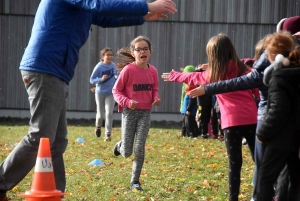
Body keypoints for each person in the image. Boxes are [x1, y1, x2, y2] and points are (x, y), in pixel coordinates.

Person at [0, 1, 177, 200]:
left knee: (57, 142)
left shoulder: (82, 7)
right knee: (41, 135)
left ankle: (54, 194)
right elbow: (99, 5)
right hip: (45, 68)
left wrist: (142, 16)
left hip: (55, 71)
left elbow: (103, 16)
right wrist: (146, 6)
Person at [188, 16, 300, 201]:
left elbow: (251, 82)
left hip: (270, 125)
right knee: (289, 175)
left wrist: (263, 133)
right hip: (293, 129)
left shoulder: (278, 76)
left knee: (264, 172)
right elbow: (251, 67)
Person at [162, 33, 258, 201]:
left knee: (235, 163)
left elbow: (191, 76)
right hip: (252, 118)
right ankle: (268, 192)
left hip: (231, 122)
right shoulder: (244, 70)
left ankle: (233, 198)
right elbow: (257, 89)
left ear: (212, 56)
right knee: (260, 159)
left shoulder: (210, 75)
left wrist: (174, 75)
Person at [112, 36, 161, 192]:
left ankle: (135, 181)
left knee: (139, 148)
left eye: (145, 49)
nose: (142, 52)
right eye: (138, 49)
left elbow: (154, 89)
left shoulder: (153, 71)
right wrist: (126, 102)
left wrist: (156, 98)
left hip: (145, 113)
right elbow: (116, 90)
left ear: (150, 52)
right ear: (133, 53)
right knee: (127, 152)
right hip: (129, 112)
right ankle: (120, 145)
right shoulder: (128, 70)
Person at [256, 31, 300, 201]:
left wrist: (263, 132)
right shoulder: (295, 73)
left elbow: (278, 109)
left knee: (266, 179)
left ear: (272, 55)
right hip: (296, 137)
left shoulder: (278, 77)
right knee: (291, 180)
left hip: (279, 138)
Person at [90, 48, 117, 141]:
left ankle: (108, 135)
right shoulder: (99, 66)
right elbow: (92, 79)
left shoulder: (114, 66)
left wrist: (118, 77)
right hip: (100, 92)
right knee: (101, 115)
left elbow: (117, 76)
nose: (109, 56)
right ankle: (98, 126)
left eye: (111, 55)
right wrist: (101, 79)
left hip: (111, 93)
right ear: (103, 57)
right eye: (107, 55)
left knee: (109, 113)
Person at [180, 65, 198, 137]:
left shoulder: (193, 86)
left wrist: (189, 109)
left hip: (189, 108)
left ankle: (192, 133)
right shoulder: (187, 86)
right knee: (185, 121)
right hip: (186, 107)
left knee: (189, 121)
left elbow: (193, 99)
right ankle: (184, 132)